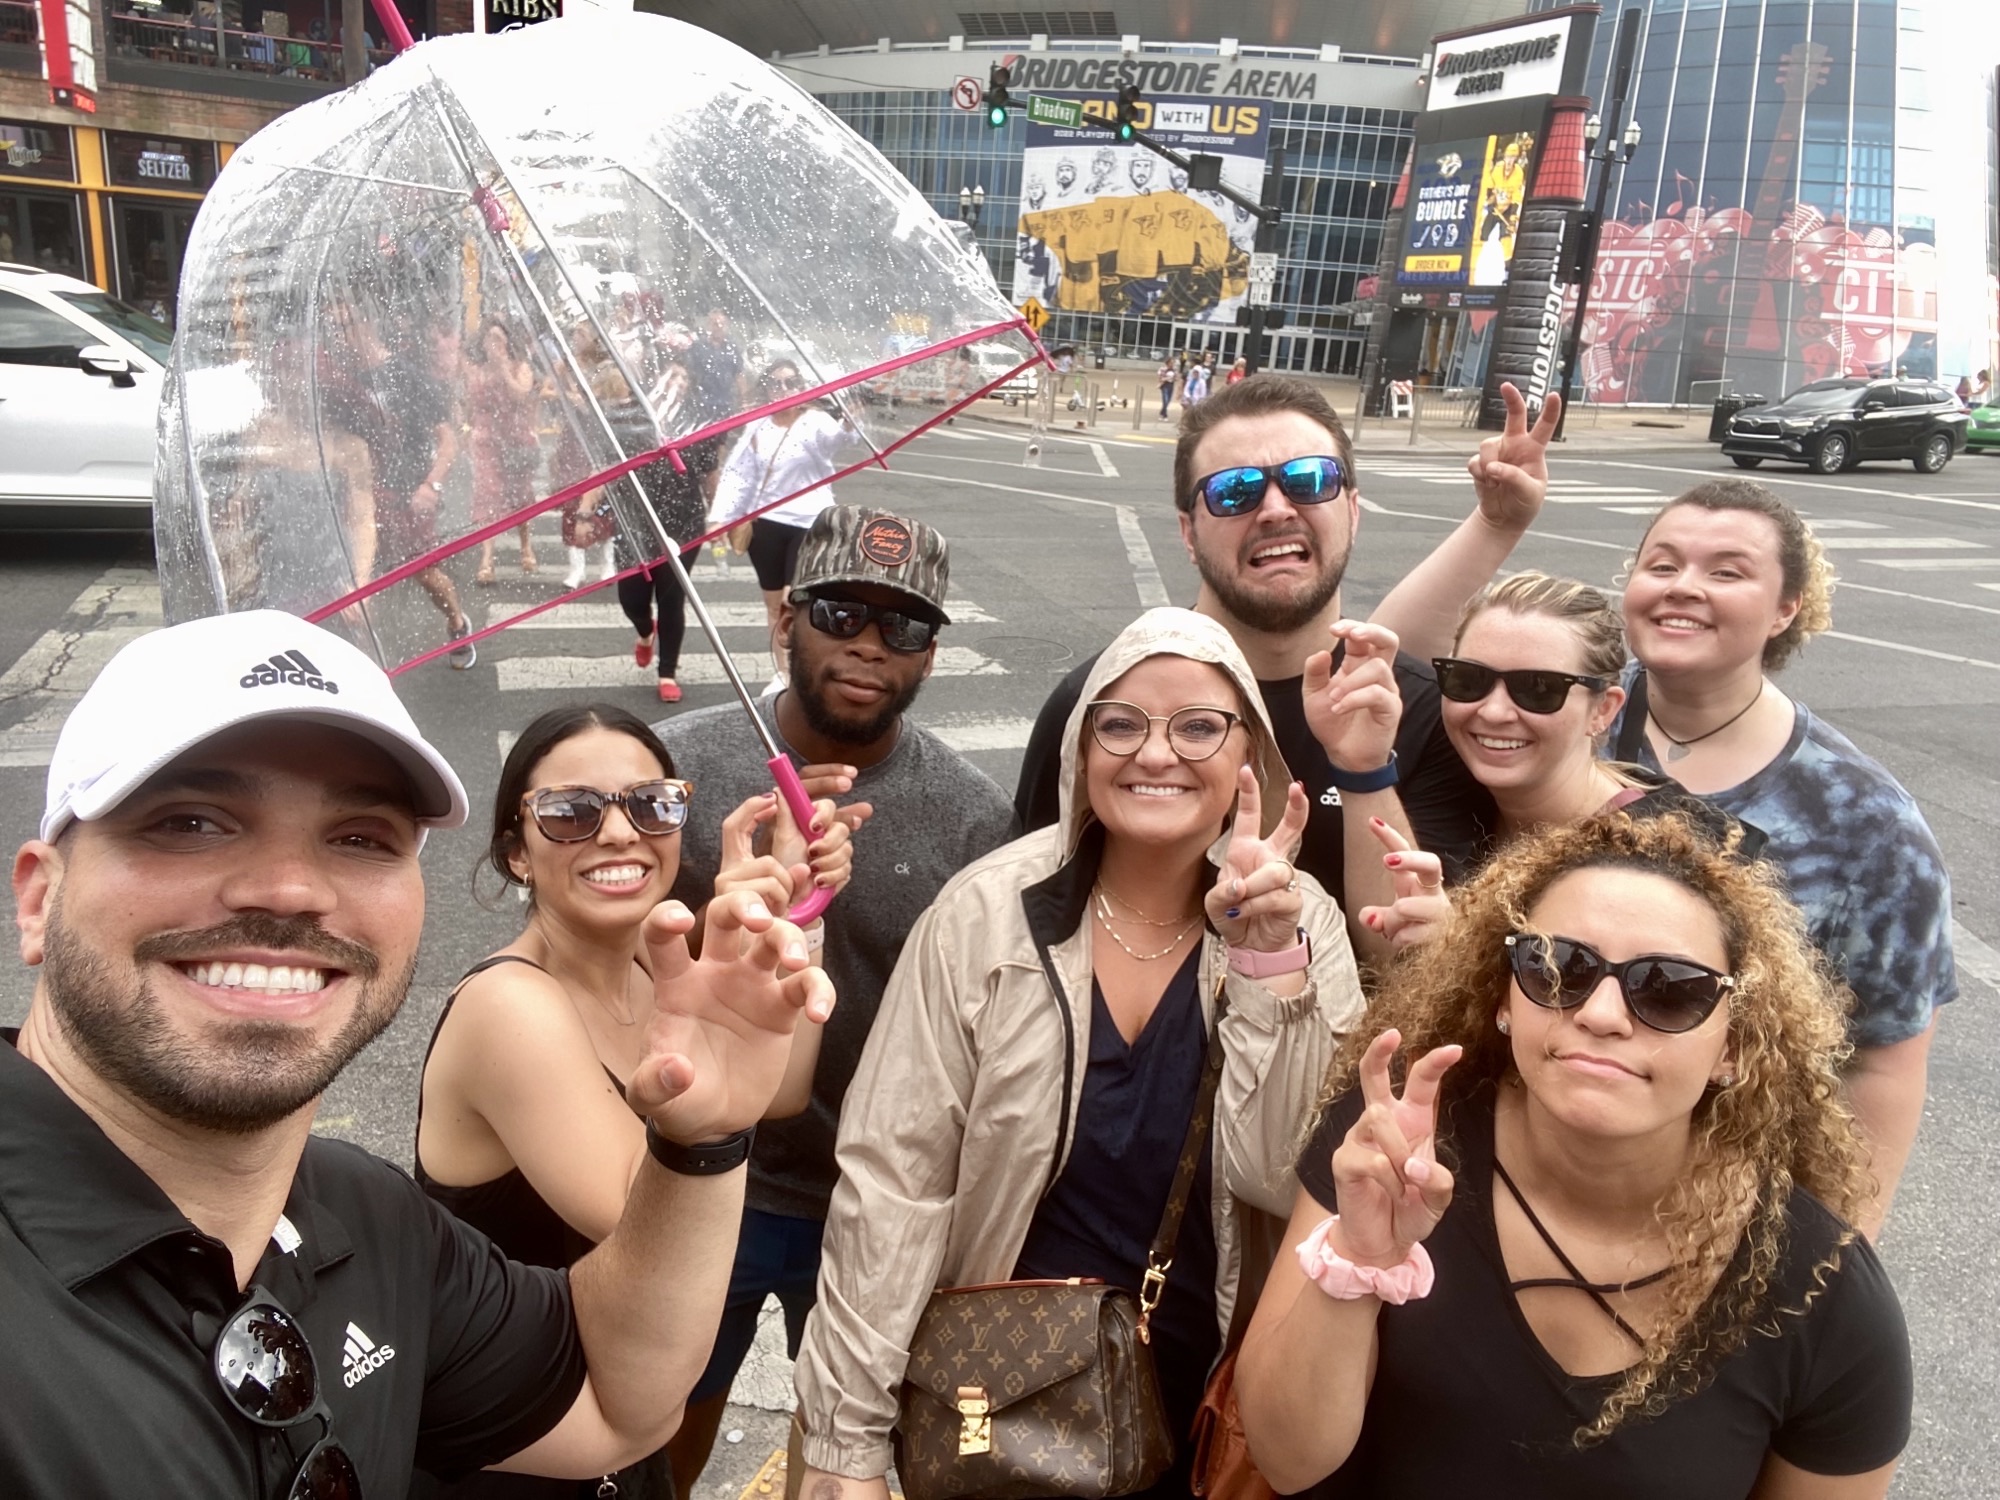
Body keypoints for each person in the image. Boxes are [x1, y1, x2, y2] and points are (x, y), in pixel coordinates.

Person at [1, 609, 833, 1494]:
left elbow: (618, 1400)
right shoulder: (510, 1009)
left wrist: (701, 1141)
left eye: (360, 837)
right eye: (191, 823)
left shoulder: (372, 1221)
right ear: (38, 897)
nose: (288, 889)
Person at [793, 608, 1366, 1500]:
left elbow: (1281, 1179)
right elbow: (892, 1189)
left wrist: (1267, 964)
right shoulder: (982, 916)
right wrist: (844, 1442)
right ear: (1080, 748)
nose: (1155, 753)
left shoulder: (1303, 925)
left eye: (1199, 727)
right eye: (1121, 722)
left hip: (1200, 1398)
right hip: (994, 1395)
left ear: (1248, 753)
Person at [1235, 812, 1912, 1499]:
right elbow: (1288, 1460)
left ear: (1734, 1048)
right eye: (1558, 968)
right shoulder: (1400, 1147)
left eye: (1670, 989)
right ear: (1506, 998)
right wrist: (1359, 1257)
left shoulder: (1822, 1300)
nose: (1601, 1014)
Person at [1376, 476, 1953, 1238]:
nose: (1686, 587)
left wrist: (1842, 1250)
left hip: (1708, 1195)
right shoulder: (1544, 717)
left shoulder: (1866, 820)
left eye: (1727, 571)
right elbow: (1392, 659)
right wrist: (1495, 522)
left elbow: (1884, 1058)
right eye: (1663, 563)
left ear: (1788, 608)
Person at [651, 506, 1016, 1495]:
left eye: (903, 629)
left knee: (840, 1444)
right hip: (698, 1180)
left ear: (930, 657)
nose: (868, 647)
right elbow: (599, 962)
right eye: (842, 612)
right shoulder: (675, 769)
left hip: (868, 1204)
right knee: (660, 1426)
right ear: (786, 617)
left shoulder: (975, 815)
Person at [412, 704, 854, 1498]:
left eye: (650, 804)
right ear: (516, 853)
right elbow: (640, 1212)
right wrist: (710, 1113)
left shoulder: (658, 973)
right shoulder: (511, 1008)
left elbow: (779, 1094)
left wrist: (794, 916)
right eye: (571, 811)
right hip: (517, 1442)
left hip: (620, 1413)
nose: (618, 833)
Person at [1014, 374, 1559, 965]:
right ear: (1187, 533)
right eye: (1233, 491)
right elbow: (1034, 912)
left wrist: (1365, 774)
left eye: (1309, 480)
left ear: (1352, 511)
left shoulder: (1421, 713)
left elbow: (1408, 970)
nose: (1275, 508)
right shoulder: (1102, 704)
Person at [707, 360, 858, 680]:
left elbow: (837, 441)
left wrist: (848, 422)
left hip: (808, 522)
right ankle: (782, 674)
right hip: (766, 524)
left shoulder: (815, 421)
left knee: (793, 597)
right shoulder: (757, 427)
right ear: (767, 389)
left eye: (790, 383)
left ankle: (804, 664)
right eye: (776, 384)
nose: (784, 389)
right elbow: (737, 475)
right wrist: (718, 518)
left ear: (802, 387)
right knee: (774, 605)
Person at [469, 320, 544, 586]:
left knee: (519, 495)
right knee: (487, 494)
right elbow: (468, 403)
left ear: (508, 343)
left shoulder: (519, 367)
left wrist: (503, 370)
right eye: (489, 339)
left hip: (515, 439)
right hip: (486, 439)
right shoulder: (475, 371)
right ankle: (487, 558)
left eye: (499, 339)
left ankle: (525, 545)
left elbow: (521, 396)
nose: (494, 345)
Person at [1159, 355, 1180, 419]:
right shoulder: (1163, 369)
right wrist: (1167, 378)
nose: (1172, 364)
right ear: (1167, 363)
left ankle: (1162, 412)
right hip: (1165, 385)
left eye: (1173, 363)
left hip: (1171, 385)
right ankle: (1165, 415)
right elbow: (1161, 378)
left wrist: (1174, 378)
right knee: (1165, 399)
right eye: (1171, 362)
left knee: (1168, 400)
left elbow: (1177, 378)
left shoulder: (1174, 369)